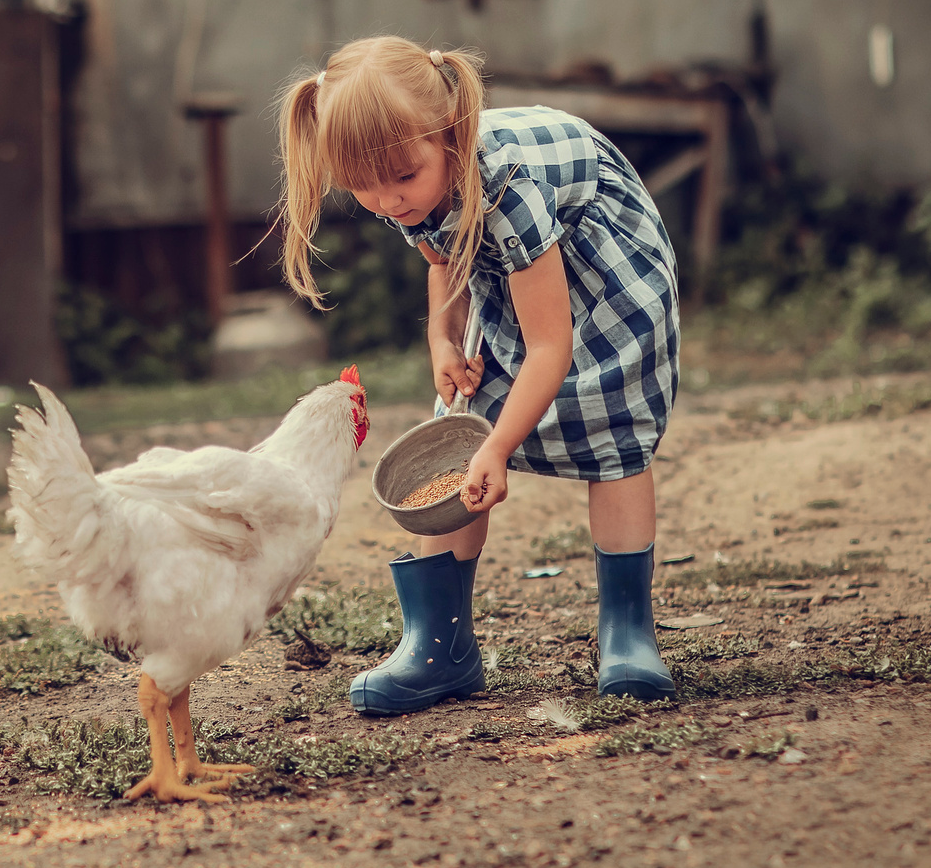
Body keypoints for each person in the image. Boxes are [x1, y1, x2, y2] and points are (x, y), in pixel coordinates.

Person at [276, 35, 679, 715]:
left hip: (603, 268)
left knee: (613, 437)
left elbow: (551, 345)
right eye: (364, 186)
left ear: (452, 140)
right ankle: (440, 644)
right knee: (459, 428)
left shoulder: (510, 188)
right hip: (514, 266)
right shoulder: (405, 186)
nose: (386, 200)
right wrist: (440, 334)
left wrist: (499, 448)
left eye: (403, 178)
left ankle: (628, 633)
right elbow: (443, 252)